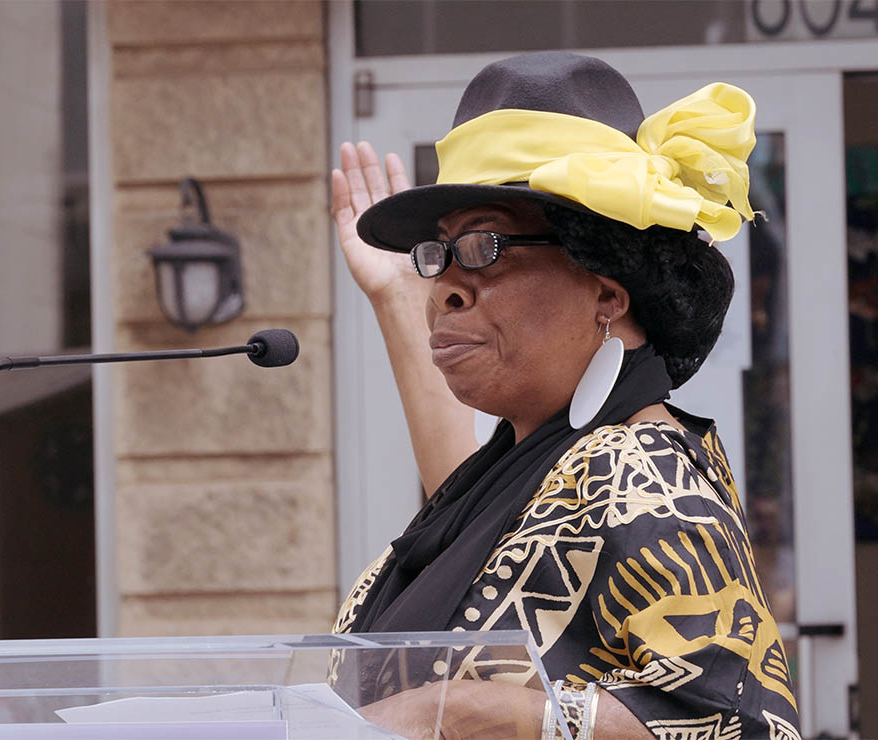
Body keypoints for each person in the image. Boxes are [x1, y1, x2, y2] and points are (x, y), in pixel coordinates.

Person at [329, 52, 800, 740]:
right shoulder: (528, 472)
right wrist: (397, 299)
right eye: (441, 255)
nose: (445, 288)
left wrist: (462, 711)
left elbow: (745, 727)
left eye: (485, 246)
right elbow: (493, 563)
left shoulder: (642, 470)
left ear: (606, 289)